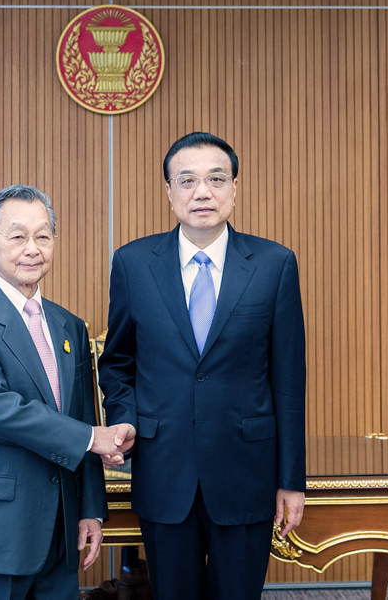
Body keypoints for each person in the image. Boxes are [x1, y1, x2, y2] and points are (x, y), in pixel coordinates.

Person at [99, 132, 307, 599]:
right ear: (169, 191)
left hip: (247, 472)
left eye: (216, 179)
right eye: (187, 180)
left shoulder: (274, 264)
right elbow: (117, 362)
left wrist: (291, 480)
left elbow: (289, 380)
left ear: (234, 187)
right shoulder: (133, 263)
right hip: (163, 468)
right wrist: (124, 419)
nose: (202, 192)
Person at [0, 184, 128, 599]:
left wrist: (91, 509)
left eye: (43, 236)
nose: (32, 248)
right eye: (18, 236)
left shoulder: (69, 326)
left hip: (62, 530)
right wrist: (93, 438)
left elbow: (82, 416)